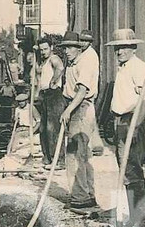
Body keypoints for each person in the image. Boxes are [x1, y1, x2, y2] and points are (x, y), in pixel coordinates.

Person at [107, 27, 145, 227]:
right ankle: (135, 218)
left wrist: (136, 124)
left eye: (124, 47)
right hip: (120, 121)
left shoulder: (138, 67)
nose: (120, 52)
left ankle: (142, 222)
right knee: (126, 173)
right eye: (117, 48)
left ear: (133, 48)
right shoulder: (123, 67)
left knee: (133, 173)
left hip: (132, 122)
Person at [59, 30, 100, 214]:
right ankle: (86, 194)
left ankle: (81, 198)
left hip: (80, 108)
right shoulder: (72, 63)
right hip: (74, 106)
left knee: (75, 155)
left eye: (71, 47)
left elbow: (82, 91)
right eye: (65, 48)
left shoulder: (85, 63)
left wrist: (68, 111)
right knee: (81, 154)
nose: (67, 51)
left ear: (79, 48)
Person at [33, 34, 65, 169]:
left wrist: (54, 80)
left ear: (51, 48)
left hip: (54, 95)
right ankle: (47, 157)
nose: (43, 52)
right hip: (44, 95)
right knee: (43, 128)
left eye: (45, 49)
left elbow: (60, 68)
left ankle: (59, 160)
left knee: (53, 128)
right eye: (41, 50)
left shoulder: (54, 58)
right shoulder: (43, 61)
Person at [78, 30, 105, 155]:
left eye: (85, 41)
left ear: (89, 42)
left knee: (87, 121)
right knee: (91, 120)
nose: (82, 43)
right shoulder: (84, 53)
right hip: (88, 92)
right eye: (81, 40)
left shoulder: (89, 55)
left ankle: (92, 146)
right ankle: (97, 145)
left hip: (88, 92)